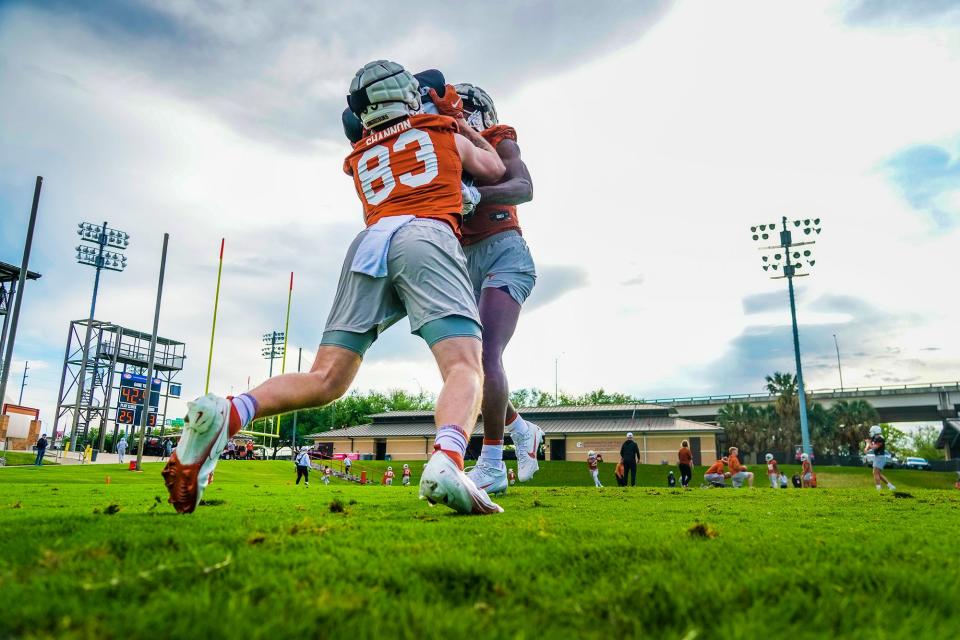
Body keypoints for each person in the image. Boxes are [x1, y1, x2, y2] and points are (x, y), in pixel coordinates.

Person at [163, 59, 507, 515]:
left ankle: (231, 410)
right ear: (405, 95)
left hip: (370, 244)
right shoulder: (441, 132)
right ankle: (446, 458)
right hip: (426, 234)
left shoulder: (359, 156)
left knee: (325, 378)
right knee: (464, 365)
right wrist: (461, 121)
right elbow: (496, 169)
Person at [428, 81, 543, 495]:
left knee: (486, 354)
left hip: (503, 251)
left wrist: (476, 195)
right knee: (464, 363)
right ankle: (520, 428)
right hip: (464, 260)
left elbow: (523, 187)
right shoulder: (439, 143)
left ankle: (492, 462)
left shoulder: (498, 139)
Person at [865, 425, 896, 492]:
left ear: (875, 431)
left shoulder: (880, 438)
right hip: (877, 457)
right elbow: (868, 448)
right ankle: (891, 486)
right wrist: (867, 446)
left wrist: (868, 443)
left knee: (875, 473)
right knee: (878, 474)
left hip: (880, 457)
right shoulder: (875, 438)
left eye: (871, 432)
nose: (870, 433)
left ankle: (878, 489)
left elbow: (874, 447)